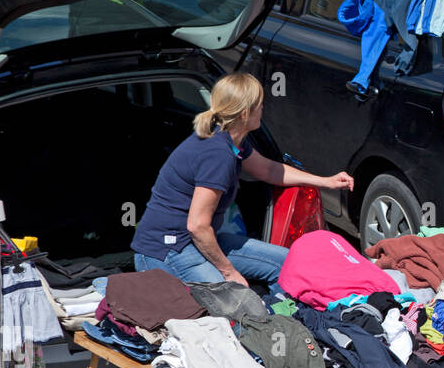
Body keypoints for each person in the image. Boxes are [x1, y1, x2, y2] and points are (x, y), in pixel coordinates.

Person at [131, 72, 354, 287]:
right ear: (244, 114)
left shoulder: (231, 140)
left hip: (199, 242)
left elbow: (268, 170)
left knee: (290, 264)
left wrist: (326, 181)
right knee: (232, 299)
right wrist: (229, 271)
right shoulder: (217, 154)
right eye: (259, 104)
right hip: (166, 250)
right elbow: (197, 226)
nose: (263, 108)